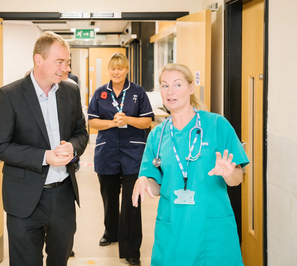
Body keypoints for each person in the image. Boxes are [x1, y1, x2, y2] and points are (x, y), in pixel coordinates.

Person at [132, 63, 249, 266]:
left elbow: (236, 180)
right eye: (165, 85)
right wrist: (144, 180)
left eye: (177, 85)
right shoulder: (157, 136)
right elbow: (156, 186)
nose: (170, 92)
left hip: (212, 228)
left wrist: (229, 173)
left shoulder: (217, 125)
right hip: (173, 229)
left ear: (191, 88)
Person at [0, 31, 88, 266]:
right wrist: (44, 157)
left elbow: (81, 133)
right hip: (24, 198)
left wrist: (72, 148)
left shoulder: (71, 91)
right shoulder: (9, 95)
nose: (65, 68)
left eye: (68, 61)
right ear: (38, 59)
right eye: (60, 61)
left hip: (63, 194)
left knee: (60, 259)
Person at [88, 52, 154, 266]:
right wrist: (113, 123)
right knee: (108, 197)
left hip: (133, 154)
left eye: (120, 68)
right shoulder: (100, 93)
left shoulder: (137, 92)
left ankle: (132, 251)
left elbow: (147, 122)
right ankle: (111, 232)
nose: (116, 72)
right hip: (107, 153)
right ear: (109, 70)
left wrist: (127, 119)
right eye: (113, 68)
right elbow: (93, 123)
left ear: (127, 70)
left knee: (132, 202)